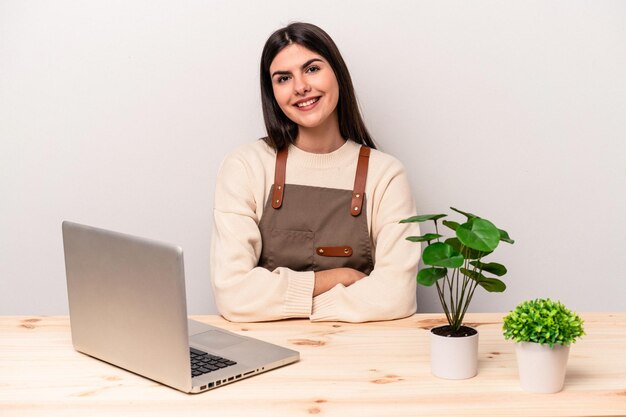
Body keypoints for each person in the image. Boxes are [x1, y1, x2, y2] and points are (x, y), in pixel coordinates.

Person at [210, 22, 419, 323]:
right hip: (268, 353)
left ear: (337, 73)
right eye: (283, 78)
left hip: (367, 355)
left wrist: (288, 304)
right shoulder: (245, 166)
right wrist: (340, 277)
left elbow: (396, 296)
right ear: (273, 93)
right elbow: (233, 293)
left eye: (312, 69)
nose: (300, 87)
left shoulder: (385, 175)